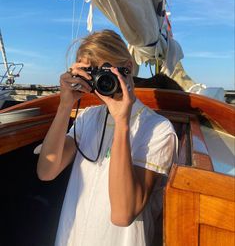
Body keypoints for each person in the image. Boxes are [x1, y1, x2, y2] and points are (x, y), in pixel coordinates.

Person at [37, 29, 177, 246]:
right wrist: (65, 105)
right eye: (90, 73)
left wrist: (122, 123)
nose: (100, 81)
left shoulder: (158, 129)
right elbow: (47, 171)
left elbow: (123, 215)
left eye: (104, 71)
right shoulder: (88, 118)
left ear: (128, 67)